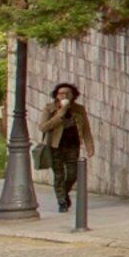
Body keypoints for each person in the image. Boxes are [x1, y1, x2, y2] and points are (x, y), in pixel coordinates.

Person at [39, 82, 92, 213]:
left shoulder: (78, 109)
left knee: (73, 174)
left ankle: (64, 192)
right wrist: (60, 114)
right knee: (59, 175)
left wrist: (89, 145)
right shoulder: (49, 109)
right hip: (55, 146)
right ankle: (62, 201)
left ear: (73, 95)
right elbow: (43, 127)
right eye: (61, 93)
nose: (64, 96)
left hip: (73, 146)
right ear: (56, 95)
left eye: (67, 93)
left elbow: (86, 128)